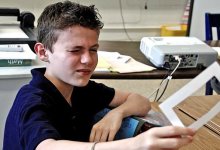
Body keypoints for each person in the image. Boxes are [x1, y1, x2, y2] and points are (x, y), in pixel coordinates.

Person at [3, 1, 196, 150]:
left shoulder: (81, 89)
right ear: (43, 52)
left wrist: (116, 113)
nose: (88, 60)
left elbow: (140, 101)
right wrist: (135, 144)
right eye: (75, 50)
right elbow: (47, 146)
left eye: (93, 49)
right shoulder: (32, 100)